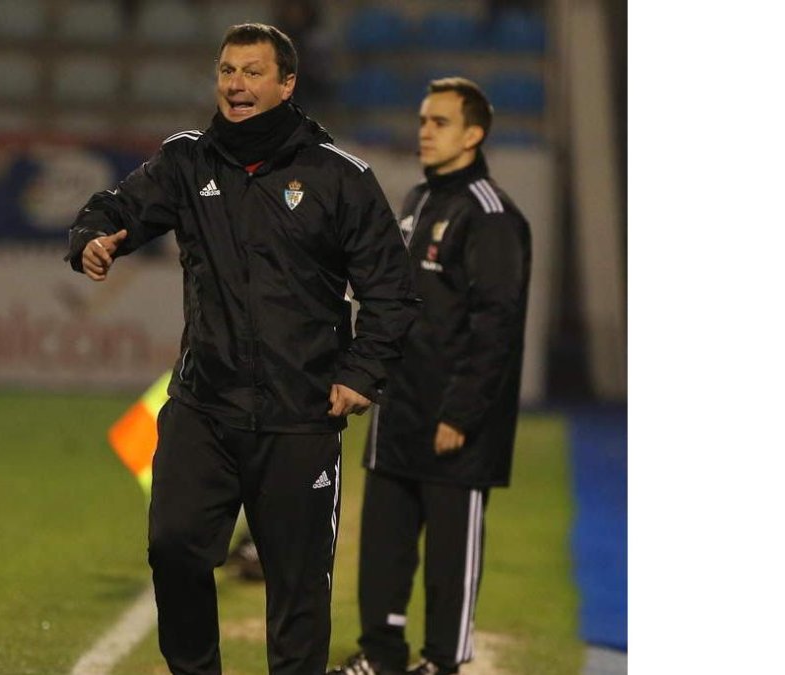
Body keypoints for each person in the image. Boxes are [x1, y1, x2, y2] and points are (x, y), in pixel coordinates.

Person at [64, 24, 418, 675]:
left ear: (287, 83)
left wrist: (363, 373)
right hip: (204, 407)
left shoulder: (339, 177)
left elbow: (392, 291)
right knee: (174, 547)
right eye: (228, 70)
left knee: (298, 588)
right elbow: (117, 205)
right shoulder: (186, 161)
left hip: (300, 415)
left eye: (253, 72)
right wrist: (96, 235)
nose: (236, 83)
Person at [327, 78, 533, 675]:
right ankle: (382, 657)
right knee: (383, 550)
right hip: (398, 411)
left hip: (453, 423)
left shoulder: (492, 215)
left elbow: (497, 326)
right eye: (423, 119)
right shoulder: (418, 198)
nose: (425, 130)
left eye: (440, 122)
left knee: (449, 557)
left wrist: (461, 413)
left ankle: (442, 663)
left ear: (474, 134)